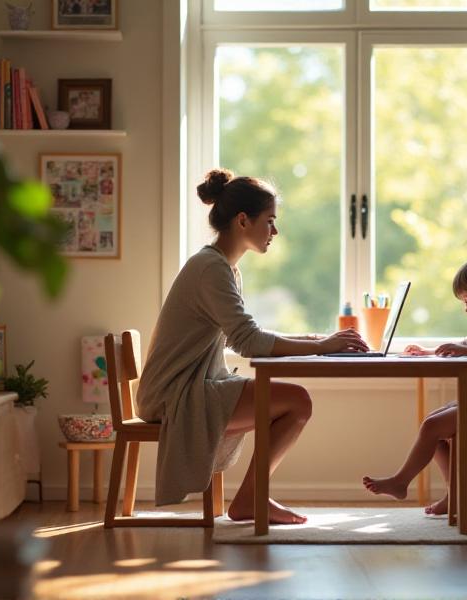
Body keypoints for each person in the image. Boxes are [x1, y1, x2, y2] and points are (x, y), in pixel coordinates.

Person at [136, 168, 369, 525]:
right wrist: (322, 343)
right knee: (297, 401)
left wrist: (316, 341)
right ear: (243, 220)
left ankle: (250, 497)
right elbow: (248, 342)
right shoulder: (211, 269)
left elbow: (240, 334)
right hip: (175, 395)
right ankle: (250, 499)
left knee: (294, 401)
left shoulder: (221, 266)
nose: (275, 231)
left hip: (186, 387)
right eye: (270, 221)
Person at [362, 256, 467, 515]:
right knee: (433, 428)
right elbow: (459, 347)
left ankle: (401, 481)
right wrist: (427, 351)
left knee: (432, 426)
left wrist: (462, 349)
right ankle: (457, 497)